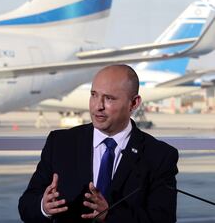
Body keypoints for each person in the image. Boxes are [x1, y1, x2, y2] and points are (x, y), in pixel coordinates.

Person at [18, 64, 178, 222]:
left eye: (109, 98)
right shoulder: (60, 143)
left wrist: (110, 215)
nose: (98, 106)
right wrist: (43, 207)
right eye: (94, 95)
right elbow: (26, 206)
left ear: (134, 103)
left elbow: (163, 218)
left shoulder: (159, 156)